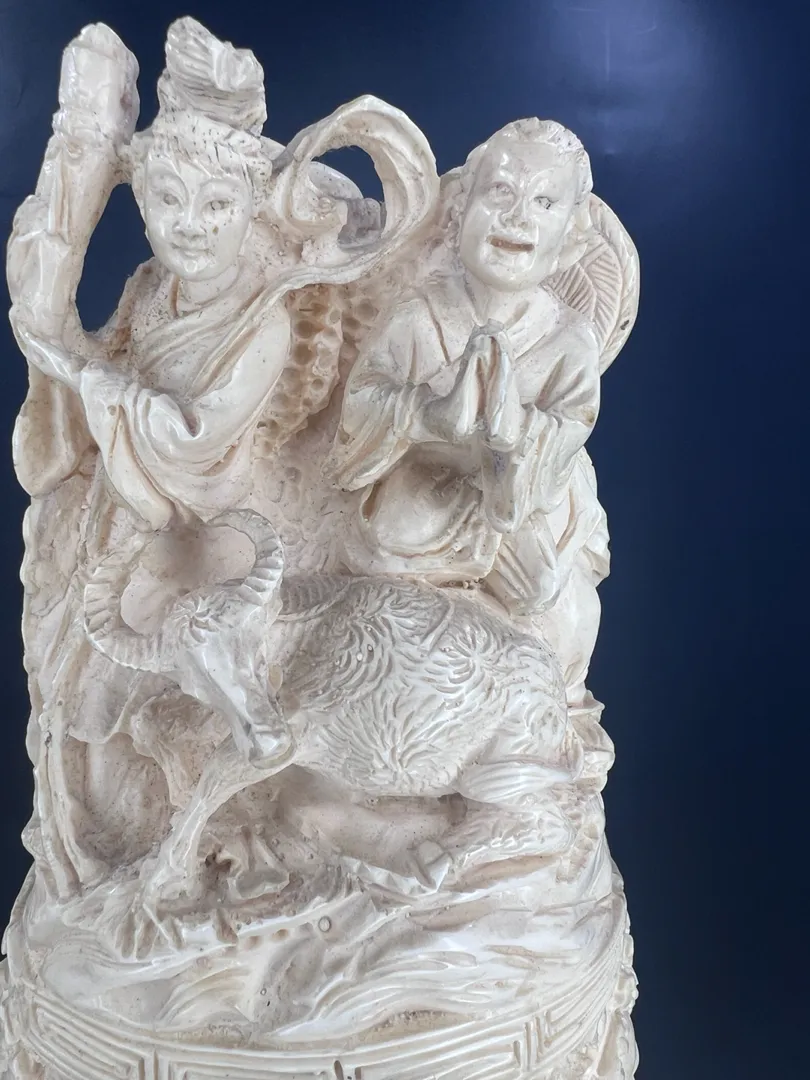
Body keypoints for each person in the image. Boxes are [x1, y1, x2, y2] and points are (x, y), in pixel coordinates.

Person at [333, 117, 601, 623]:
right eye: (500, 191)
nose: (517, 218)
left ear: (570, 236)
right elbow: (363, 397)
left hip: (507, 498)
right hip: (428, 479)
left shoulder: (570, 341)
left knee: (538, 589)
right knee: (387, 542)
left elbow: (571, 425)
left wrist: (514, 431)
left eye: (544, 203)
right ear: (460, 210)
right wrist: (427, 415)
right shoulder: (419, 313)